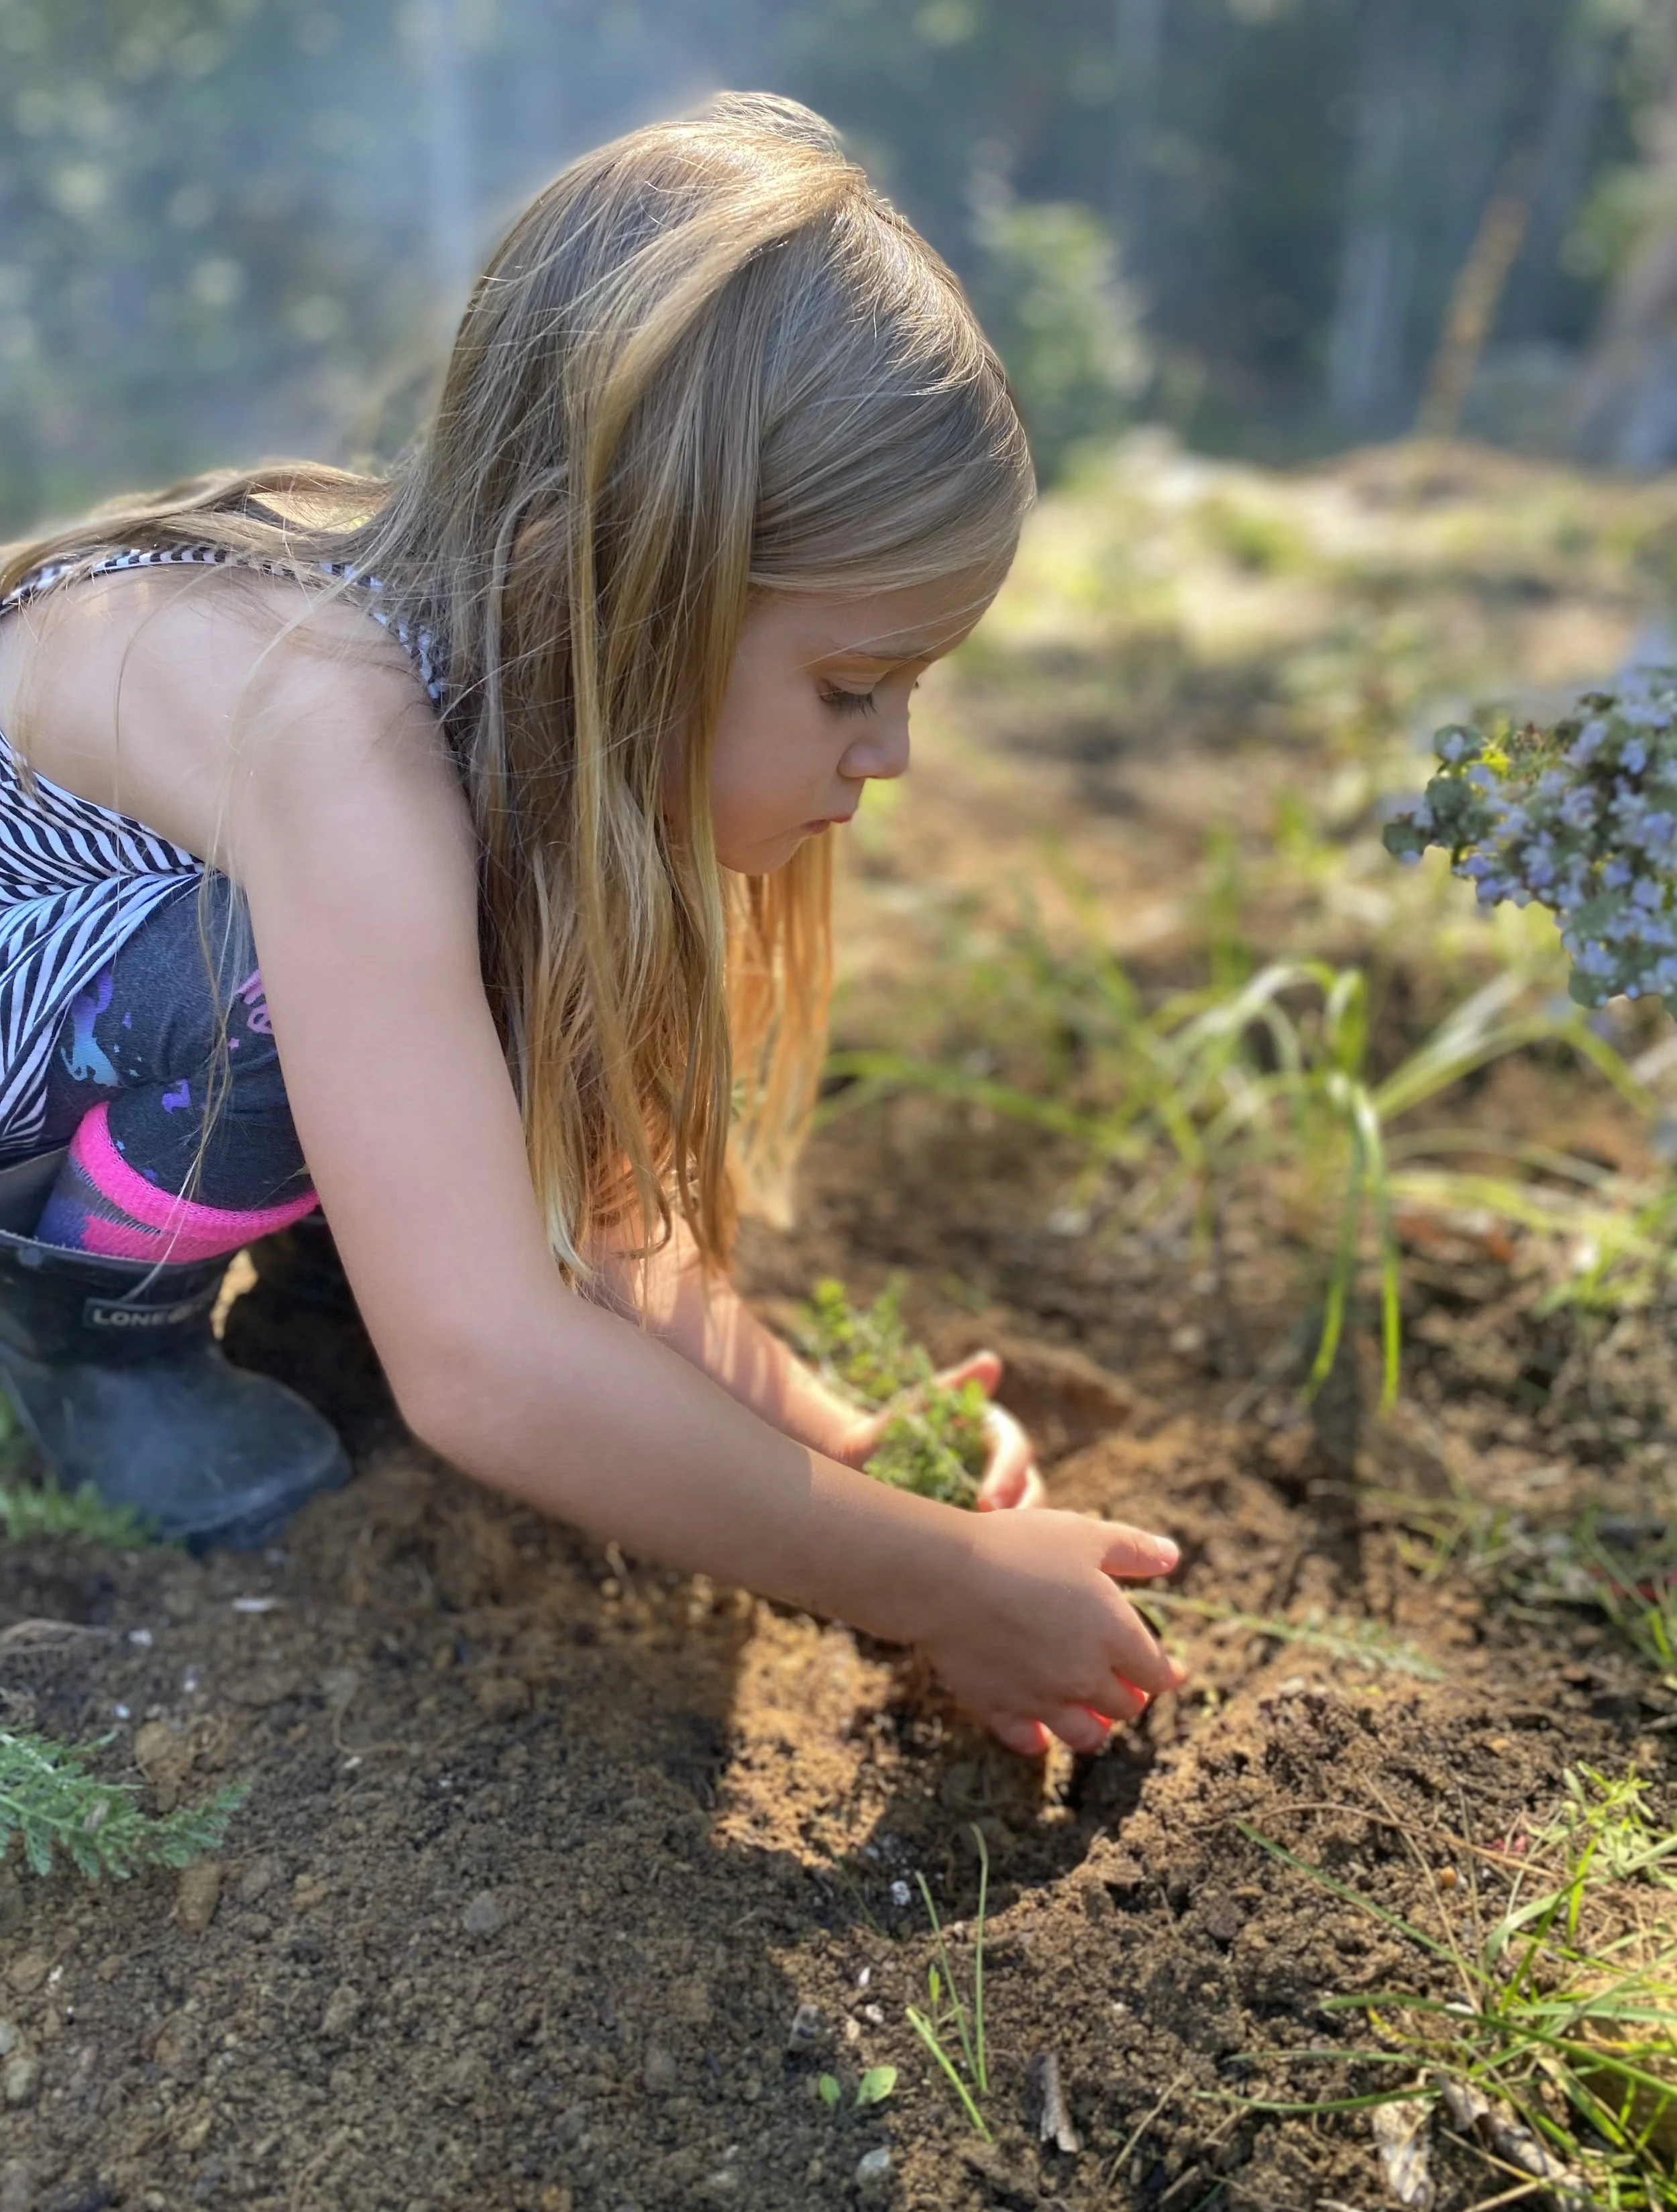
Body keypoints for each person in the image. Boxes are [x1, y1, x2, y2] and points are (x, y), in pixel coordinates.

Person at [0, 95, 1183, 1756]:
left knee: (427, 1024)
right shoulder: (343, 745)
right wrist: (937, 1585)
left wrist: (846, 1450)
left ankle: (300, 1252)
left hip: (76, 1058)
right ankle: (91, 1352)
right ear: (607, 585)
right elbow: (484, 1362)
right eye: (851, 685)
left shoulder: (492, 718)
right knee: (271, 976)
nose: (891, 753)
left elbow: (601, 1215)